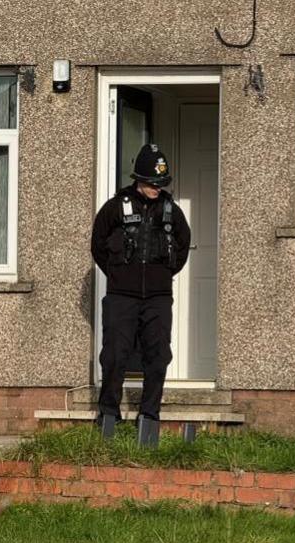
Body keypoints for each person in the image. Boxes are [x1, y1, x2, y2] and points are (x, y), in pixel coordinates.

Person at [90, 144, 191, 436]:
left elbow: (182, 248)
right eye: (152, 184)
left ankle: (149, 417)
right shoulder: (115, 208)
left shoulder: (172, 212)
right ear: (139, 180)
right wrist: (120, 275)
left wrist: (163, 276)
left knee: (158, 356)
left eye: (162, 184)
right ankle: (108, 414)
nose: (157, 189)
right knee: (114, 356)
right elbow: (98, 246)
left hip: (158, 298)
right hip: (121, 296)